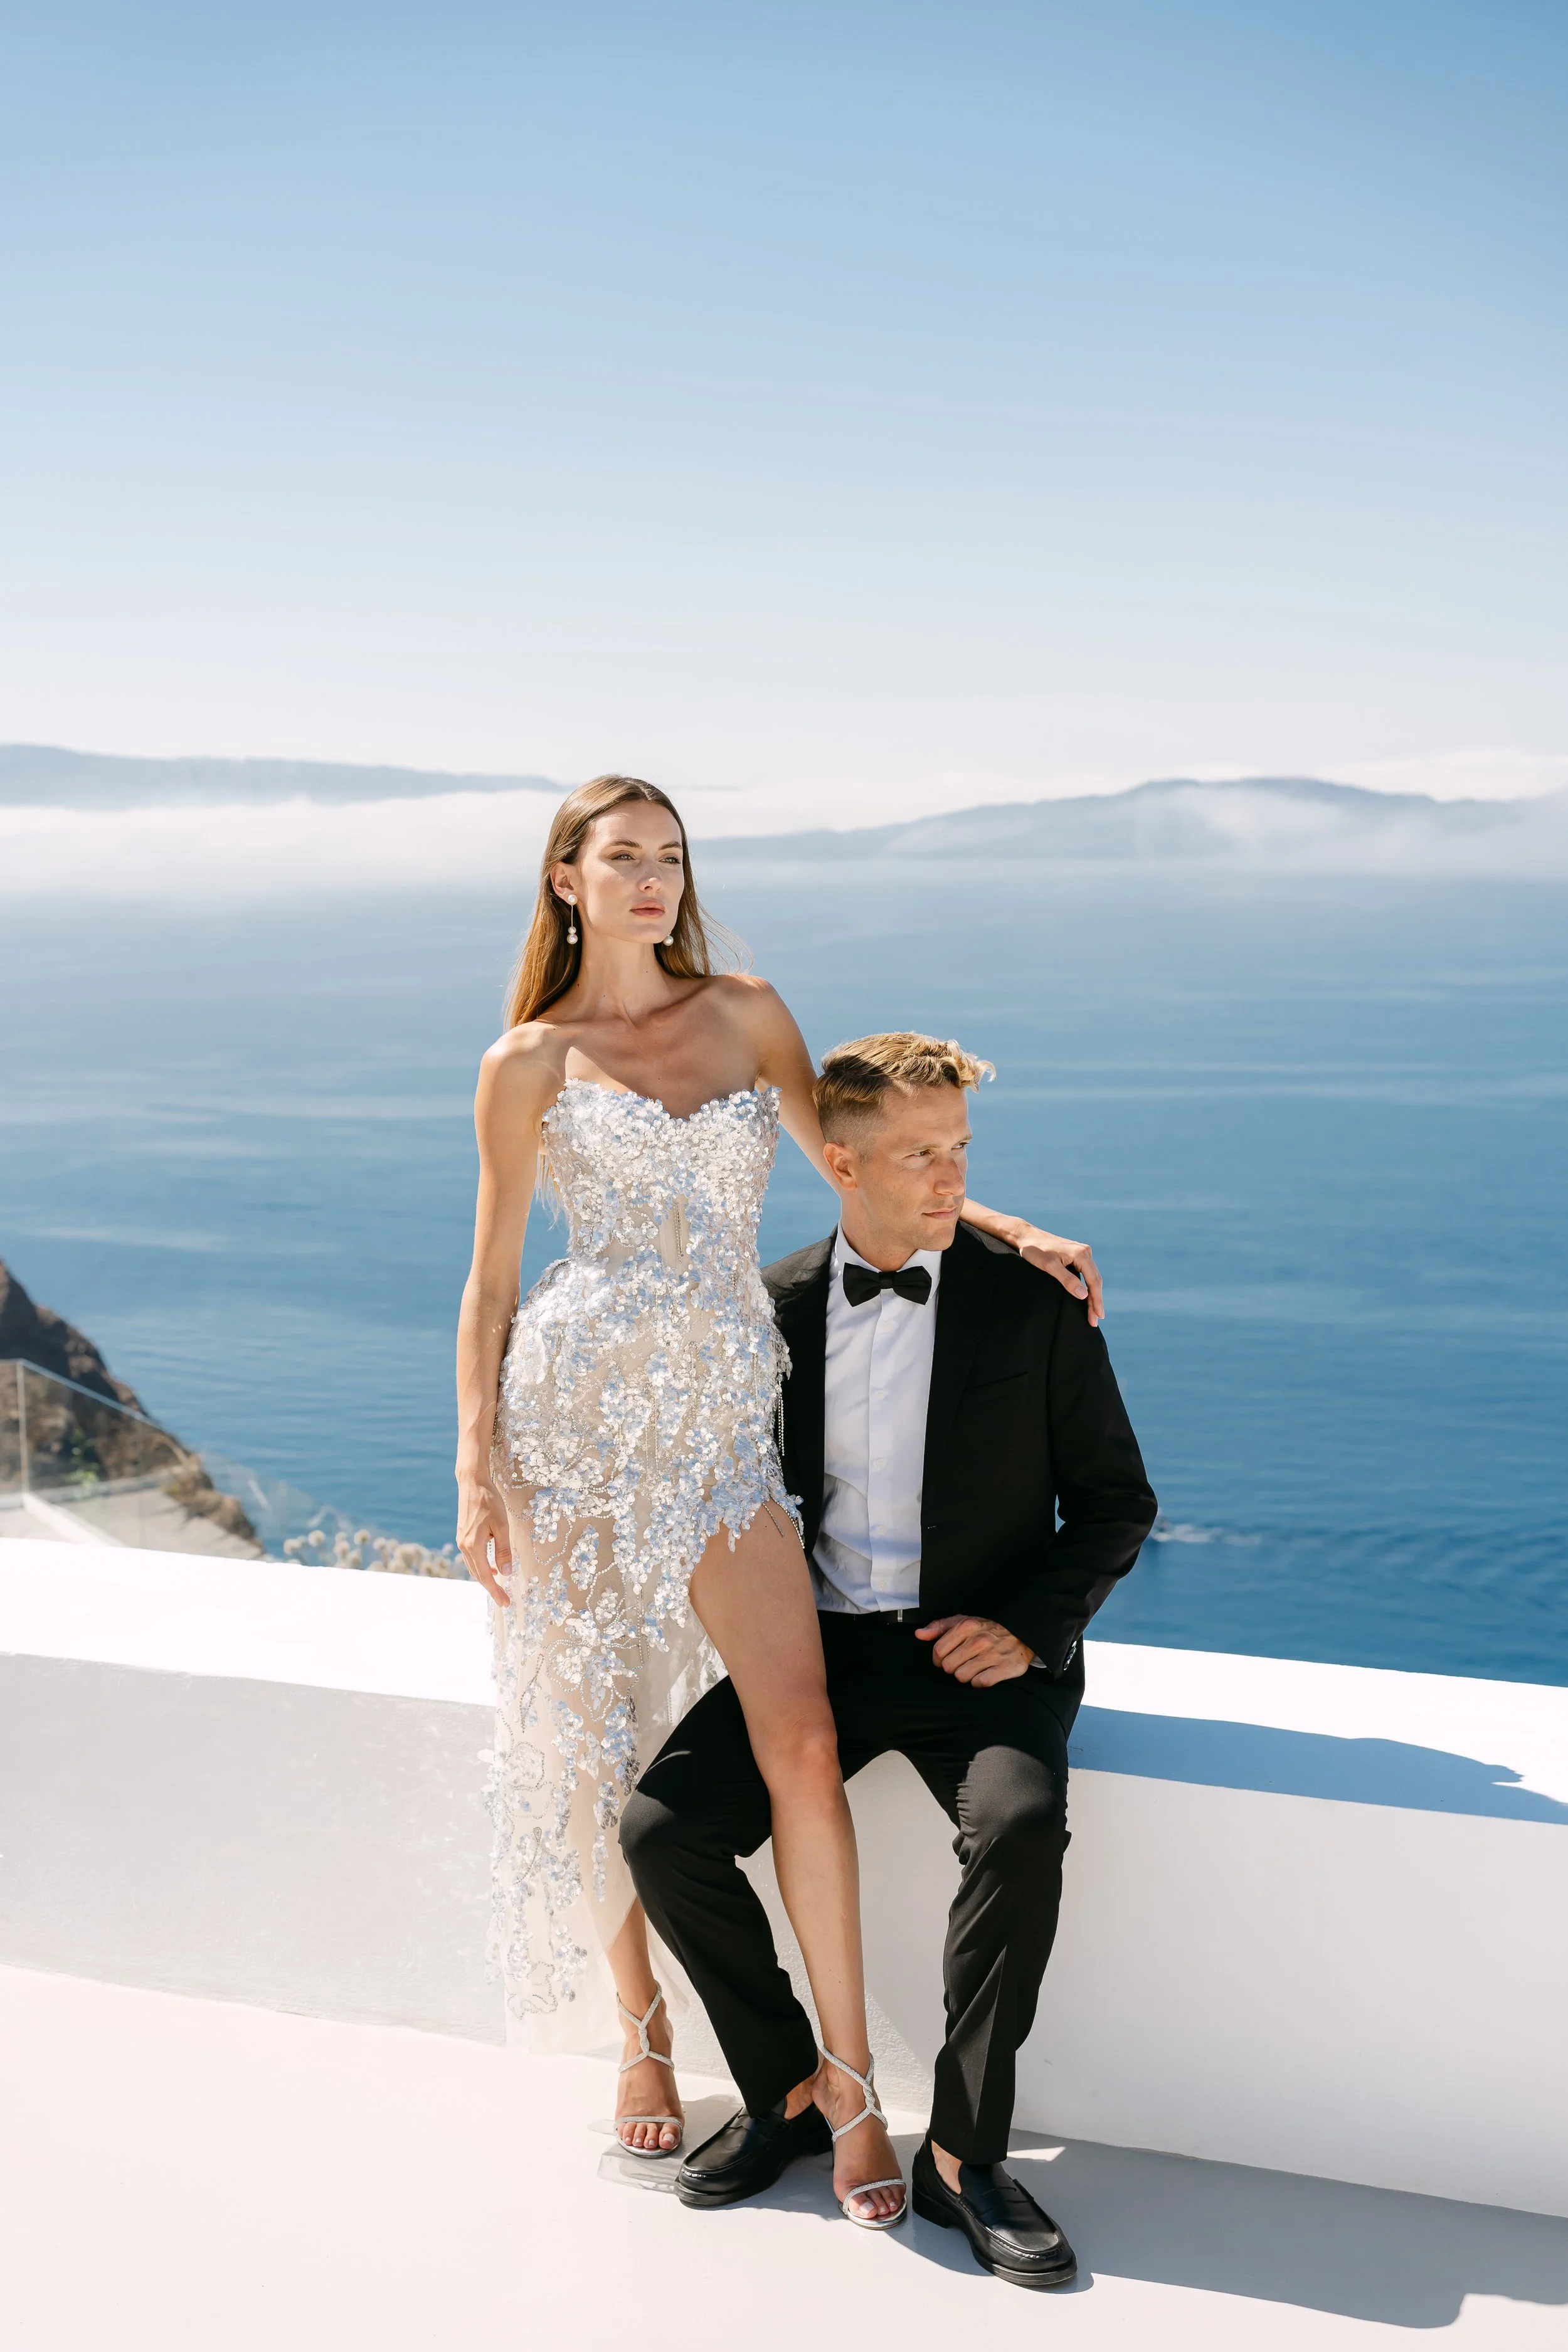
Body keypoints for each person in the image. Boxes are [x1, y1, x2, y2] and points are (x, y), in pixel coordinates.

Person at [455, 776, 1104, 2228]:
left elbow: (851, 1157)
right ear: (564, 879)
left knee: (798, 1740)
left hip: (718, 1426)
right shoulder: (525, 1061)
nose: (651, 883)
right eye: (620, 860)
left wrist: (995, 1219)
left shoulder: (746, 1011)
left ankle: (847, 2082)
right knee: (593, 1718)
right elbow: (492, 1278)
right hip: (569, 1418)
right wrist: (471, 1462)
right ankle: (643, 2032)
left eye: (668, 859)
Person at [622, 1032, 1157, 2287]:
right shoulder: (772, 1309)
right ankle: (785, 2091)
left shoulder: (1033, 1303)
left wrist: (1030, 1625)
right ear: (841, 1163)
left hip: (980, 1654)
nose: (946, 1178)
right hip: (810, 1656)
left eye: (959, 1152)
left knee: (1018, 1825)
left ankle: (963, 2158)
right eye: (919, 1154)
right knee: (661, 1830)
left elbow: (1116, 1501)